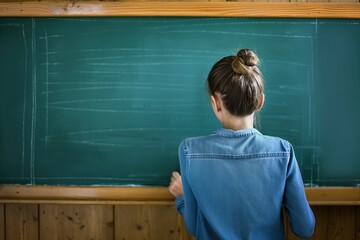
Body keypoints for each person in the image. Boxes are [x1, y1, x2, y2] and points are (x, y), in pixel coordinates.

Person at [168, 49, 315, 240]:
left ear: (215, 103)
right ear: (260, 102)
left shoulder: (189, 150)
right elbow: (305, 228)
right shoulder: (282, 151)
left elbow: (195, 228)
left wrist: (182, 196)